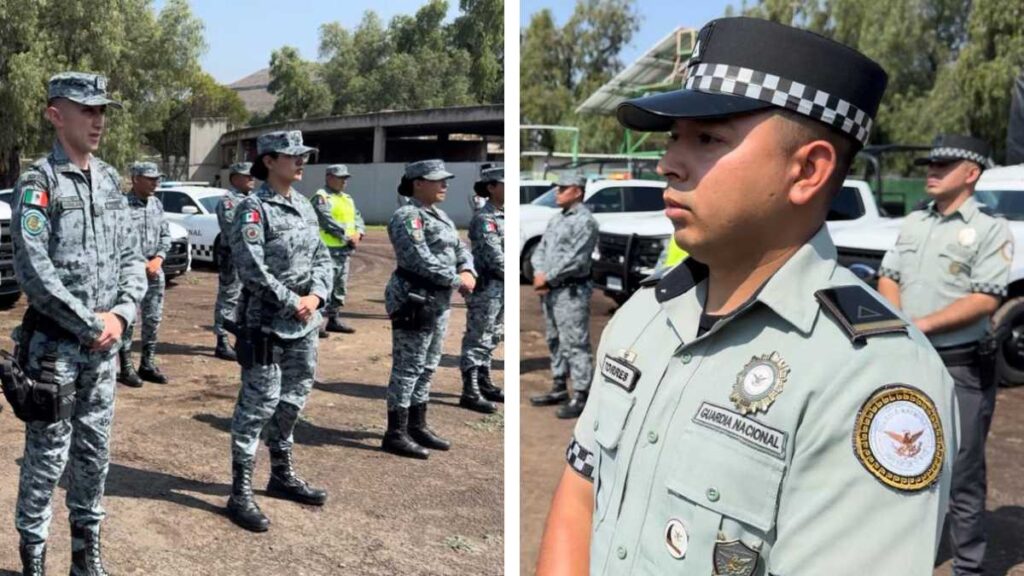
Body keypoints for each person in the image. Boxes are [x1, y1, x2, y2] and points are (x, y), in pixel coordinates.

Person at [536, 17, 959, 576]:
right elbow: (580, 494)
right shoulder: (645, 315)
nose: (669, 163)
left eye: (708, 138)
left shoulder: (873, 376)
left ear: (807, 170)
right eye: (673, 137)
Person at [10, 72, 146, 575]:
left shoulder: (110, 179)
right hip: (56, 350)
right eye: (86, 110)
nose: (98, 119)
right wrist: (92, 322)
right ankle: (35, 564)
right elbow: (34, 271)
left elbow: (133, 254)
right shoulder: (38, 182)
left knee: (94, 455)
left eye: (101, 110)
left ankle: (86, 561)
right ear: (54, 115)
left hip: (104, 350)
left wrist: (123, 312)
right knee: (46, 462)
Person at [878, 135, 1011, 576]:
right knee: (899, 458)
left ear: (971, 173)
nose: (931, 172)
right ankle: (908, 555)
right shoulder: (915, 222)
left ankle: (968, 567)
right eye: (929, 164)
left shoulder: (990, 229)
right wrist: (896, 318)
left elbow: (985, 299)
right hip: (907, 359)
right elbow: (889, 273)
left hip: (959, 365)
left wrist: (919, 326)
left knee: (964, 470)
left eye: (944, 165)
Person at [226, 130, 333, 532]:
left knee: (293, 399)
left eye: (304, 155)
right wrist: (294, 301)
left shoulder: (304, 206)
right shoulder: (254, 209)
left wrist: (318, 297)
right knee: (256, 408)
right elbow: (252, 270)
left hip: (304, 324)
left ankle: (281, 474)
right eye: (293, 155)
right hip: (266, 325)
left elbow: (322, 256)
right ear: (269, 161)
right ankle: (240, 491)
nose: (301, 161)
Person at [382, 159, 476, 459]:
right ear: (417, 183)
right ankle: (395, 432)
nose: (444, 184)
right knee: (408, 367)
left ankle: (417, 424)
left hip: (439, 300)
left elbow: (461, 248)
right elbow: (416, 258)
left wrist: (468, 269)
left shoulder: (440, 215)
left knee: (429, 363)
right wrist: (456, 279)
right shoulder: (407, 216)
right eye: (437, 180)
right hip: (414, 299)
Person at [528, 173, 599, 419]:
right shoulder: (557, 219)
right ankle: (559, 385)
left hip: (571, 291)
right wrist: (538, 271)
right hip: (550, 290)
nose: (557, 193)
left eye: (562, 188)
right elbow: (541, 249)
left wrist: (547, 277)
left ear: (577, 191)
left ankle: (582, 392)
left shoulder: (585, 221)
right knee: (554, 339)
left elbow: (577, 258)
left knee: (575, 342)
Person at [117, 161, 171, 387]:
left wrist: (159, 257)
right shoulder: (121, 205)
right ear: (135, 179)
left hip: (155, 269)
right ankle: (126, 366)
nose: (155, 183)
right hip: (130, 270)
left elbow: (165, 235)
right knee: (128, 318)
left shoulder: (156, 204)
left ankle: (147, 363)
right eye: (150, 178)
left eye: (157, 178)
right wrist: (139, 264)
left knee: (153, 318)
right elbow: (116, 240)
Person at [459, 166, 506, 412]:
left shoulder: (503, 215)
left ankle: (484, 382)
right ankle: (470, 390)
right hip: (489, 286)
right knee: (478, 337)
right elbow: (494, 257)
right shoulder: (485, 219)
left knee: (493, 335)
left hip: (501, 287)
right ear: (491, 187)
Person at [313, 164, 365, 335]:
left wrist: (359, 233)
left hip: (344, 251)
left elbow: (357, 218)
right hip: (326, 250)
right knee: (324, 285)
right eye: (340, 178)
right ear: (329, 178)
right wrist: (347, 236)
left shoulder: (347, 198)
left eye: (346, 178)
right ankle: (318, 321)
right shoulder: (321, 197)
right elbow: (326, 220)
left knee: (340, 286)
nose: (344, 181)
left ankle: (334, 319)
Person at [213, 162, 256, 361]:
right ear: (235, 179)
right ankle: (221, 341)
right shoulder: (229, 201)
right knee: (228, 297)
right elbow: (233, 231)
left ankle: (239, 335)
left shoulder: (251, 199)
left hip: (248, 257)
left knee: (243, 299)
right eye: (248, 176)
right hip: (232, 256)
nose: (252, 180)